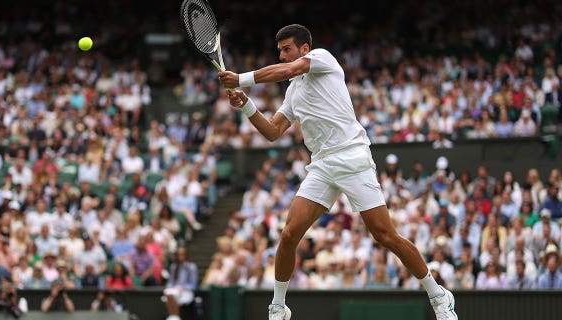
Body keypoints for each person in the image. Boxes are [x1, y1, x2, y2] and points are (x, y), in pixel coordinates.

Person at [218, 24, 457, 320]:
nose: (281, 56)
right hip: (321, 164)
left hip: (352, 157)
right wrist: (246, 104)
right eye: (279, 51)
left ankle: (438, 294)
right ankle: (279, 307)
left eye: (287, 49)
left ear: (304, 49)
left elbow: (285, 71)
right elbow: (272, 131)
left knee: (384, 235)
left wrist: (240, 79)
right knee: (290, 233)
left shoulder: (322, 58)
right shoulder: (294, 91)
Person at [162, 247, 198, 320]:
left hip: (186, 292)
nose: (181, 256)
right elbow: (171, 281)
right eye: (179, 254)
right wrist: (169, 286)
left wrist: (184, 287)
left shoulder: (191, 267)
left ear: (186, 255)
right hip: (175, 290)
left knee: (173, 295)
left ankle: (174, 317)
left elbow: (194, 285)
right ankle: (175, 317)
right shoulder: (173, 266)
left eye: (183, 254)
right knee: (168, 293)